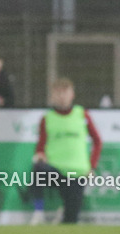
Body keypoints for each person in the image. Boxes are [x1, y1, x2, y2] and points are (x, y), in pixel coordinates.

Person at [30, 78, 102, 224]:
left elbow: (97, 141)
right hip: (56, 170)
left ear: (72, 95)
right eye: (58, 93)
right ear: (52, 96)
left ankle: (63, 211)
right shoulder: (47, 118)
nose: (62, 97)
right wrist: (39, 155)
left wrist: (92, 166)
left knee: (70, 221)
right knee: (38, 169)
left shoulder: (82, 115)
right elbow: (41, 145)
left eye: (65, 93)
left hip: (77, 173)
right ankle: (38, 212)